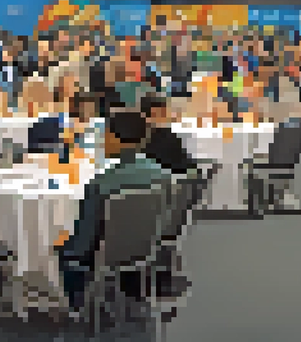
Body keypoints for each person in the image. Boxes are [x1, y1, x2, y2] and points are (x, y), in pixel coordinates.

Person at [56, 110, 170, 312]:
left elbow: (82, 244)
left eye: (105, 134)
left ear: (116, 138)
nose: (102, 141)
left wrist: (58, 243)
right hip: (147, 247)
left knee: (56, 244)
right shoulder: (162, 175)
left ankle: (67, 307)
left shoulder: (101, 184)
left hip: (103, 255)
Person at [140, 95, 196, 174]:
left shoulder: (169, 135)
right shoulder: (154, 140)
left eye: (164, 114)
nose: (164, 118)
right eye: (159, 115)